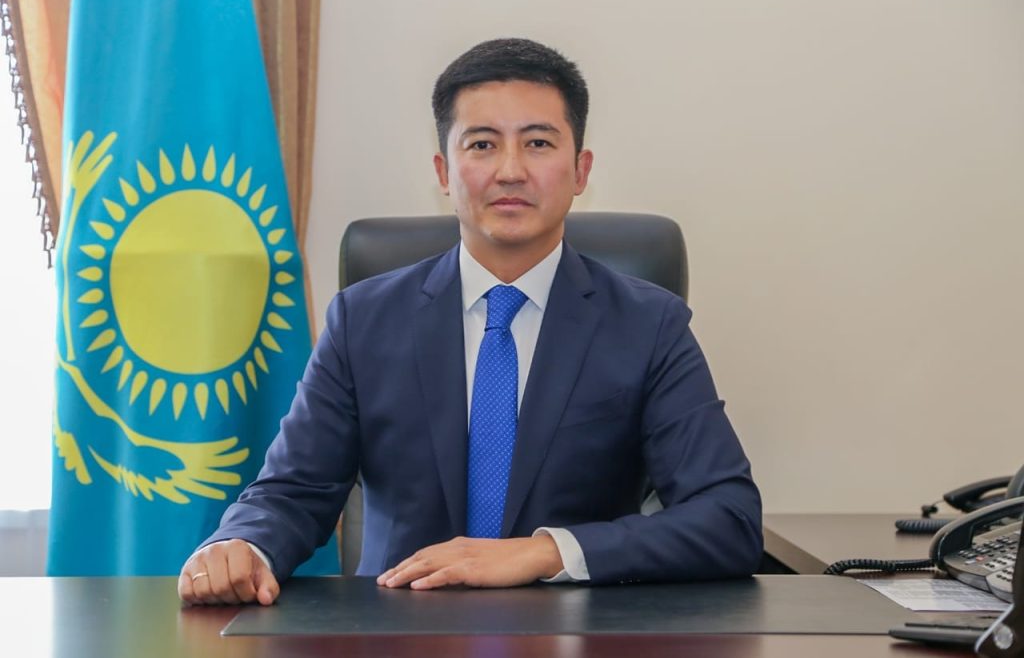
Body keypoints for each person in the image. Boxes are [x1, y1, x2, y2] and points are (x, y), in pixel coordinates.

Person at [178, 38, 762, 606]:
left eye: (538, 143)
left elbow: (728, 518)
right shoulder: (363, 319)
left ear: (580, 170)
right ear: (444, 170)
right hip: (396, 628)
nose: (510, 170)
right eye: (482, 145)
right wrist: (242, 544)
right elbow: (293, 491)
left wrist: (544, 552)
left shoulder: (647, 324)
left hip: (575, 634)